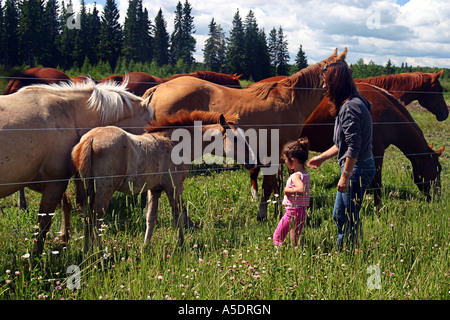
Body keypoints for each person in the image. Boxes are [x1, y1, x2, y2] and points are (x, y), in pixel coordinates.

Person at [307, 61, 376, 250]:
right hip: (357, 167)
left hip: (357, 169)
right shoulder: (353, 102)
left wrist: (345, 176)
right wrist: (321, 157)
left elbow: (354, 145)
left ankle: (348, 254)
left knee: (348, 216)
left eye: (326, 82)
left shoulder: (350, 108)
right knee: (340, 214)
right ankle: (348, 249)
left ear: (336, 82)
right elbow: (342, 143)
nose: (323, 86)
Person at [273, 137, 311, 246]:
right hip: (301, 212)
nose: (285, 162)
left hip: (292, 212)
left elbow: (300, 189)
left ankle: (278, 255)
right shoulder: (305, 174)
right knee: (295, 239)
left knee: (278, 236)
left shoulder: (296, 175)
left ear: (293, 160)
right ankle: (295, 254)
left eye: (285, 159)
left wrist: (287, 190)